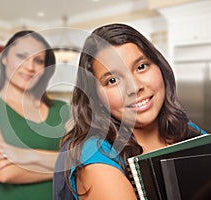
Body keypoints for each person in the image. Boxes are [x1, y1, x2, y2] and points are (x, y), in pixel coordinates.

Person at [53, 23, 207, 200]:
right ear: (95, 96)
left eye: (141, 67)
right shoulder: (95, 156)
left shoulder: (188, 130)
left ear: (161, 67)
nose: (134, 88)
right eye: (112, 80)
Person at [0, 30, 70, 200]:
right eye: (21, 56)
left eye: (38, 61)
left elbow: (83, 157)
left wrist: (27, 155)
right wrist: (67, 166)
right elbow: (4, 172)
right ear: (4, 58)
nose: (30, 67)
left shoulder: (63, 109)